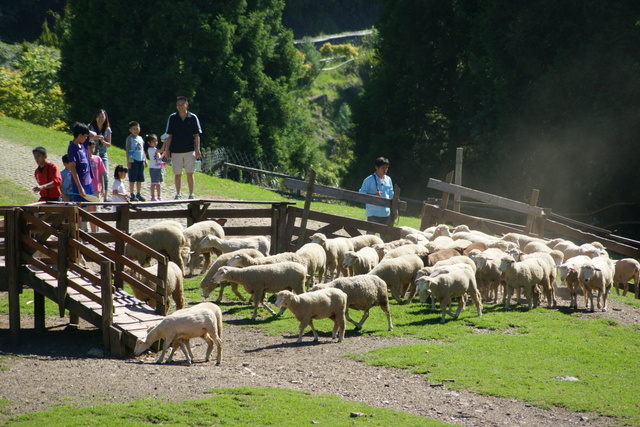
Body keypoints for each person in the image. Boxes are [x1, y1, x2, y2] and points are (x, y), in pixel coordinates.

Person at [163, 95, 202, 200]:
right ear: (176, 106)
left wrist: (197, 149)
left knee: (190, 173)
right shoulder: (172, 118)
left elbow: (197, 135)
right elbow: (169, 135)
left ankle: (191, 193)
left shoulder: (193, 117)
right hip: (176, 151)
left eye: (182, 104)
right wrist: (167, 150)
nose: (180, 107)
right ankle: (178, 193)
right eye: (178, 105)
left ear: (187, 105)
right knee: (177, 174)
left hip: (189, 150)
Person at [359, 157, 395, 227]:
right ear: (376, 167)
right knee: (370, 236)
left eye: (386, 167)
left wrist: (395, 210)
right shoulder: (368, 180)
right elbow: (361, 195)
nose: (385, 170)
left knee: (385, 237)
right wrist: (374, 195)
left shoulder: (388, 179)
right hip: (373, 214)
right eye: (383, 167)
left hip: (386, 214)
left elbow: (391, 195)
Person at [67, 123, 95, 203]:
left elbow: (93, 134)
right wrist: (80, 187)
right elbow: (73, 168)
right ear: (79, 136)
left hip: (88, 182)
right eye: (85, 136)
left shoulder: (83, 144)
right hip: (80, 184)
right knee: (81, 209)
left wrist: (84, 129)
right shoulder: (72, 148)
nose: (87, 138)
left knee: (93, 205)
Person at [89, 109, 112, 202]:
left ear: (105, 118)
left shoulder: (108, 129)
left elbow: (109, 144)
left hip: (102, 154)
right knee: (91, 174)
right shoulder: (90, 127)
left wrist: (103, 141)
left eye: (102, 116)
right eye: (99, 116)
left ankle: (105, 197)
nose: (100, 119)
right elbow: (86, 139)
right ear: (95, 117)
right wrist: (95, 138)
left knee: (105, 174)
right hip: (91, 153)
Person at [125, 121, 147, 202]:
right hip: (133, 160)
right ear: (130, 130)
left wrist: (145, 160)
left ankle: (138, 193)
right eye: (133, 129)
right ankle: (132, 194)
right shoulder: (129, 138)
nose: (136, 130)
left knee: (140, 178)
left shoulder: (140, 138)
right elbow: (128, 150)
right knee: (132, 178)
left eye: (137, 128)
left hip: (140, 160)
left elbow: (142, 149)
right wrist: (128, 161)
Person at [88, 140, 106, 231]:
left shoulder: (98, 158)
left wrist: (103, 187)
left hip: (96, 188)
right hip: (87, 188)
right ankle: (84, 231)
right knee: (86, 209)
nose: (92, 149)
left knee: (96, 209)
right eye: (90, 147)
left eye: (93, 147)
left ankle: (96, 231)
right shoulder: (84, 159)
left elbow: (102, 173)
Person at [144, 134, 164, 201]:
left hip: (158, 168)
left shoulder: (155, 149)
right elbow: (161, 150)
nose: (156, 143)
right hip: (153, 168)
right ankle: (152, 196)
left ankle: (159, 196)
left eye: (156, 141)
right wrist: (165, 142)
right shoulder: (151, 149)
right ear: (149, 143)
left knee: (158, 184)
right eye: (154, 141)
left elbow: (159, 158)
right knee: (153, 183)